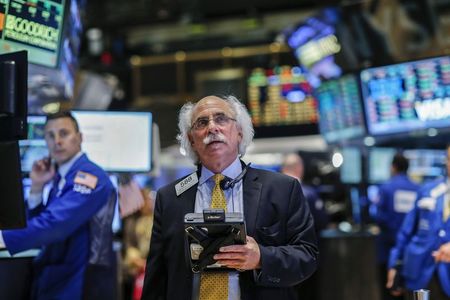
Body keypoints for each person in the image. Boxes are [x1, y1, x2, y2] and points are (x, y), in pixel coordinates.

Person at [141, 95, 318, 300]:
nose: (212, 127)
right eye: (202, 122)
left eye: (221, 119)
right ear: (191, 140)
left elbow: (307, 256)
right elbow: (156, 277)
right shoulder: (169, 197)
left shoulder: (282, 189)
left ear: (240, 132)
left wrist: (261, 257)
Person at [0, 112, 117, 300]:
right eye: (50, 135)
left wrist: (2, 238)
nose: (57, 141)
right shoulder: (62, 176)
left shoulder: (91, 178)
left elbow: (54, 225)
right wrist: (37, 187)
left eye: (64, 133)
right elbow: (38, 222)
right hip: (55, 281)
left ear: (79, 138)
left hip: (80, 284)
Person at [386, 146, 450, 300]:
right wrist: (394, 264)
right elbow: (406, 231)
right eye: (449, 158)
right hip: (419, 272)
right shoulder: (427, 190)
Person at [370, 153, 419, 300]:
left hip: (387, 249)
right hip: (409, 251)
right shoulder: (418, 189)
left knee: (389, 291)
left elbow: (378, 216)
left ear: (393, 167)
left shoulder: (386, 188)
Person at [281, 153, 329, 233]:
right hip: (304, 242)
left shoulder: (271, 191)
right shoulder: (309, 194)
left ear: (283, 168)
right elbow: (321, 221)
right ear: (299, 168)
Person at [122, 188, 155, 300]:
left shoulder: (157, 219)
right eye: (144, 200)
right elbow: (129, 245)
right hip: (135, 268)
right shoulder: (131, 221)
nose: (146, 204)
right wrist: (139, 262)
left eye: (148, 200)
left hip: (152, 267)